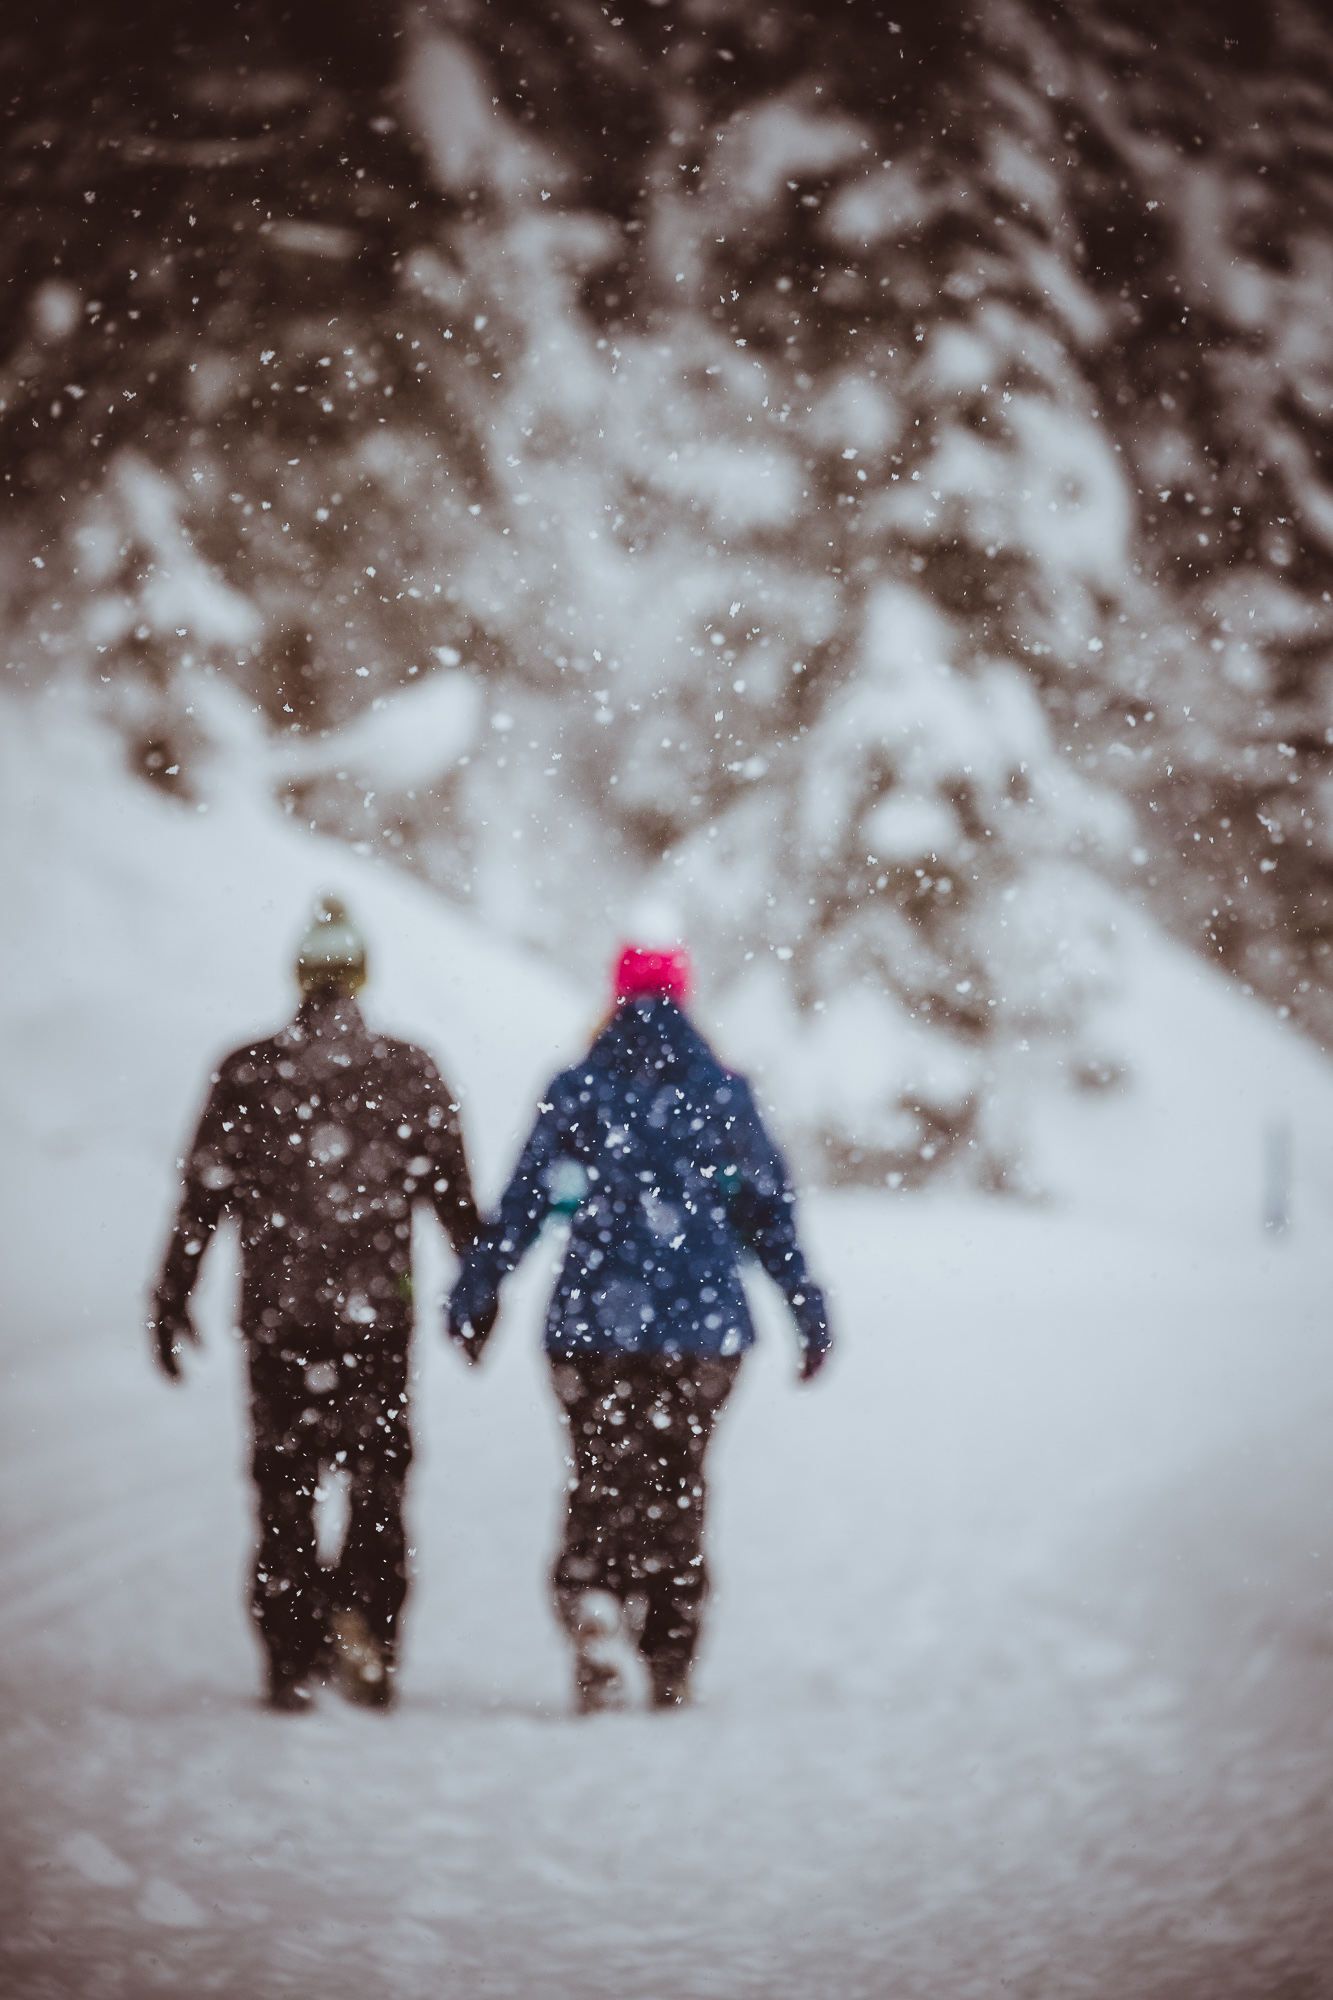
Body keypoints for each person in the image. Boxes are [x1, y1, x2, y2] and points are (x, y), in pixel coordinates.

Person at [448, 940, 831, 1713]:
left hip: (590, 1326)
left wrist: (477, 1293)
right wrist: (804, 1307)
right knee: (677, 1482)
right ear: (684, 998)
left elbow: (523, 1201)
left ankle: (591, 1589)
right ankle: (668, 1648)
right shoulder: (721, 1091)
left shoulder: (579, 1086)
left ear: (615, 997)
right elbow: (767, 1211)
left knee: (599, 1470)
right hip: (702, 1332)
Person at [148, 894, 479, 1713]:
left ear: (299, 975)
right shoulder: (410, 1071)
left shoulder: (248, 1071)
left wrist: (172, 1296)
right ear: (361, 976)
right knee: (378, 1484)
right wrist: (477, 1294)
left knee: (282, 1488)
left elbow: (202, 1199)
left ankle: (292, 1654)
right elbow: (455, 1200)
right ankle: (367, 1630)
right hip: (377, 1318)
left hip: (280, 1320)